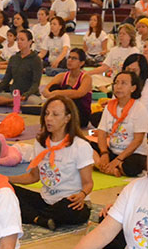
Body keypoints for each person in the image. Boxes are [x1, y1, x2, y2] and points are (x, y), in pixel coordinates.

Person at [10, 97, 93, 229]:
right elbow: (33, 176)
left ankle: (34, 217)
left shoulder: (80, 146)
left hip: (69, 202)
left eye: (55, 114)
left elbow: (88, 183)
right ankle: (41, 218)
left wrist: (81, 195)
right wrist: (6, 179)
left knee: (68, 209)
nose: (48, 118)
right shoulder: (40, 142)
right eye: (47, 114)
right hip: (46, 200)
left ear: (67, 118)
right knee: (8, 190)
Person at [92, 71, 148, 177]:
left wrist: (118, 159)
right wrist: (104, 153)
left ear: (133, 88)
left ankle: (105, 166)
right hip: (113, 151)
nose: (118, 87)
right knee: (84, 146)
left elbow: (138, 140)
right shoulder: (110, 107)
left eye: (123, 83)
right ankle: (111, 169)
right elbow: (101, 132)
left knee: (133, 165)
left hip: (132, 154)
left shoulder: (139, 109)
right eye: (116, 83)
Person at [0, 29, 41, 107]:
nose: (19, 42)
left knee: (32, 102)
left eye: (22, 40)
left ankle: (8, 102)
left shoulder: (36, 60)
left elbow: (35, 84)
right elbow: (5, 81)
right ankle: (13, 102)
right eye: (17, 39)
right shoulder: (14, 58)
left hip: (29, 96)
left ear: (30, 42)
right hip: (14, 94)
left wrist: (26, 95)